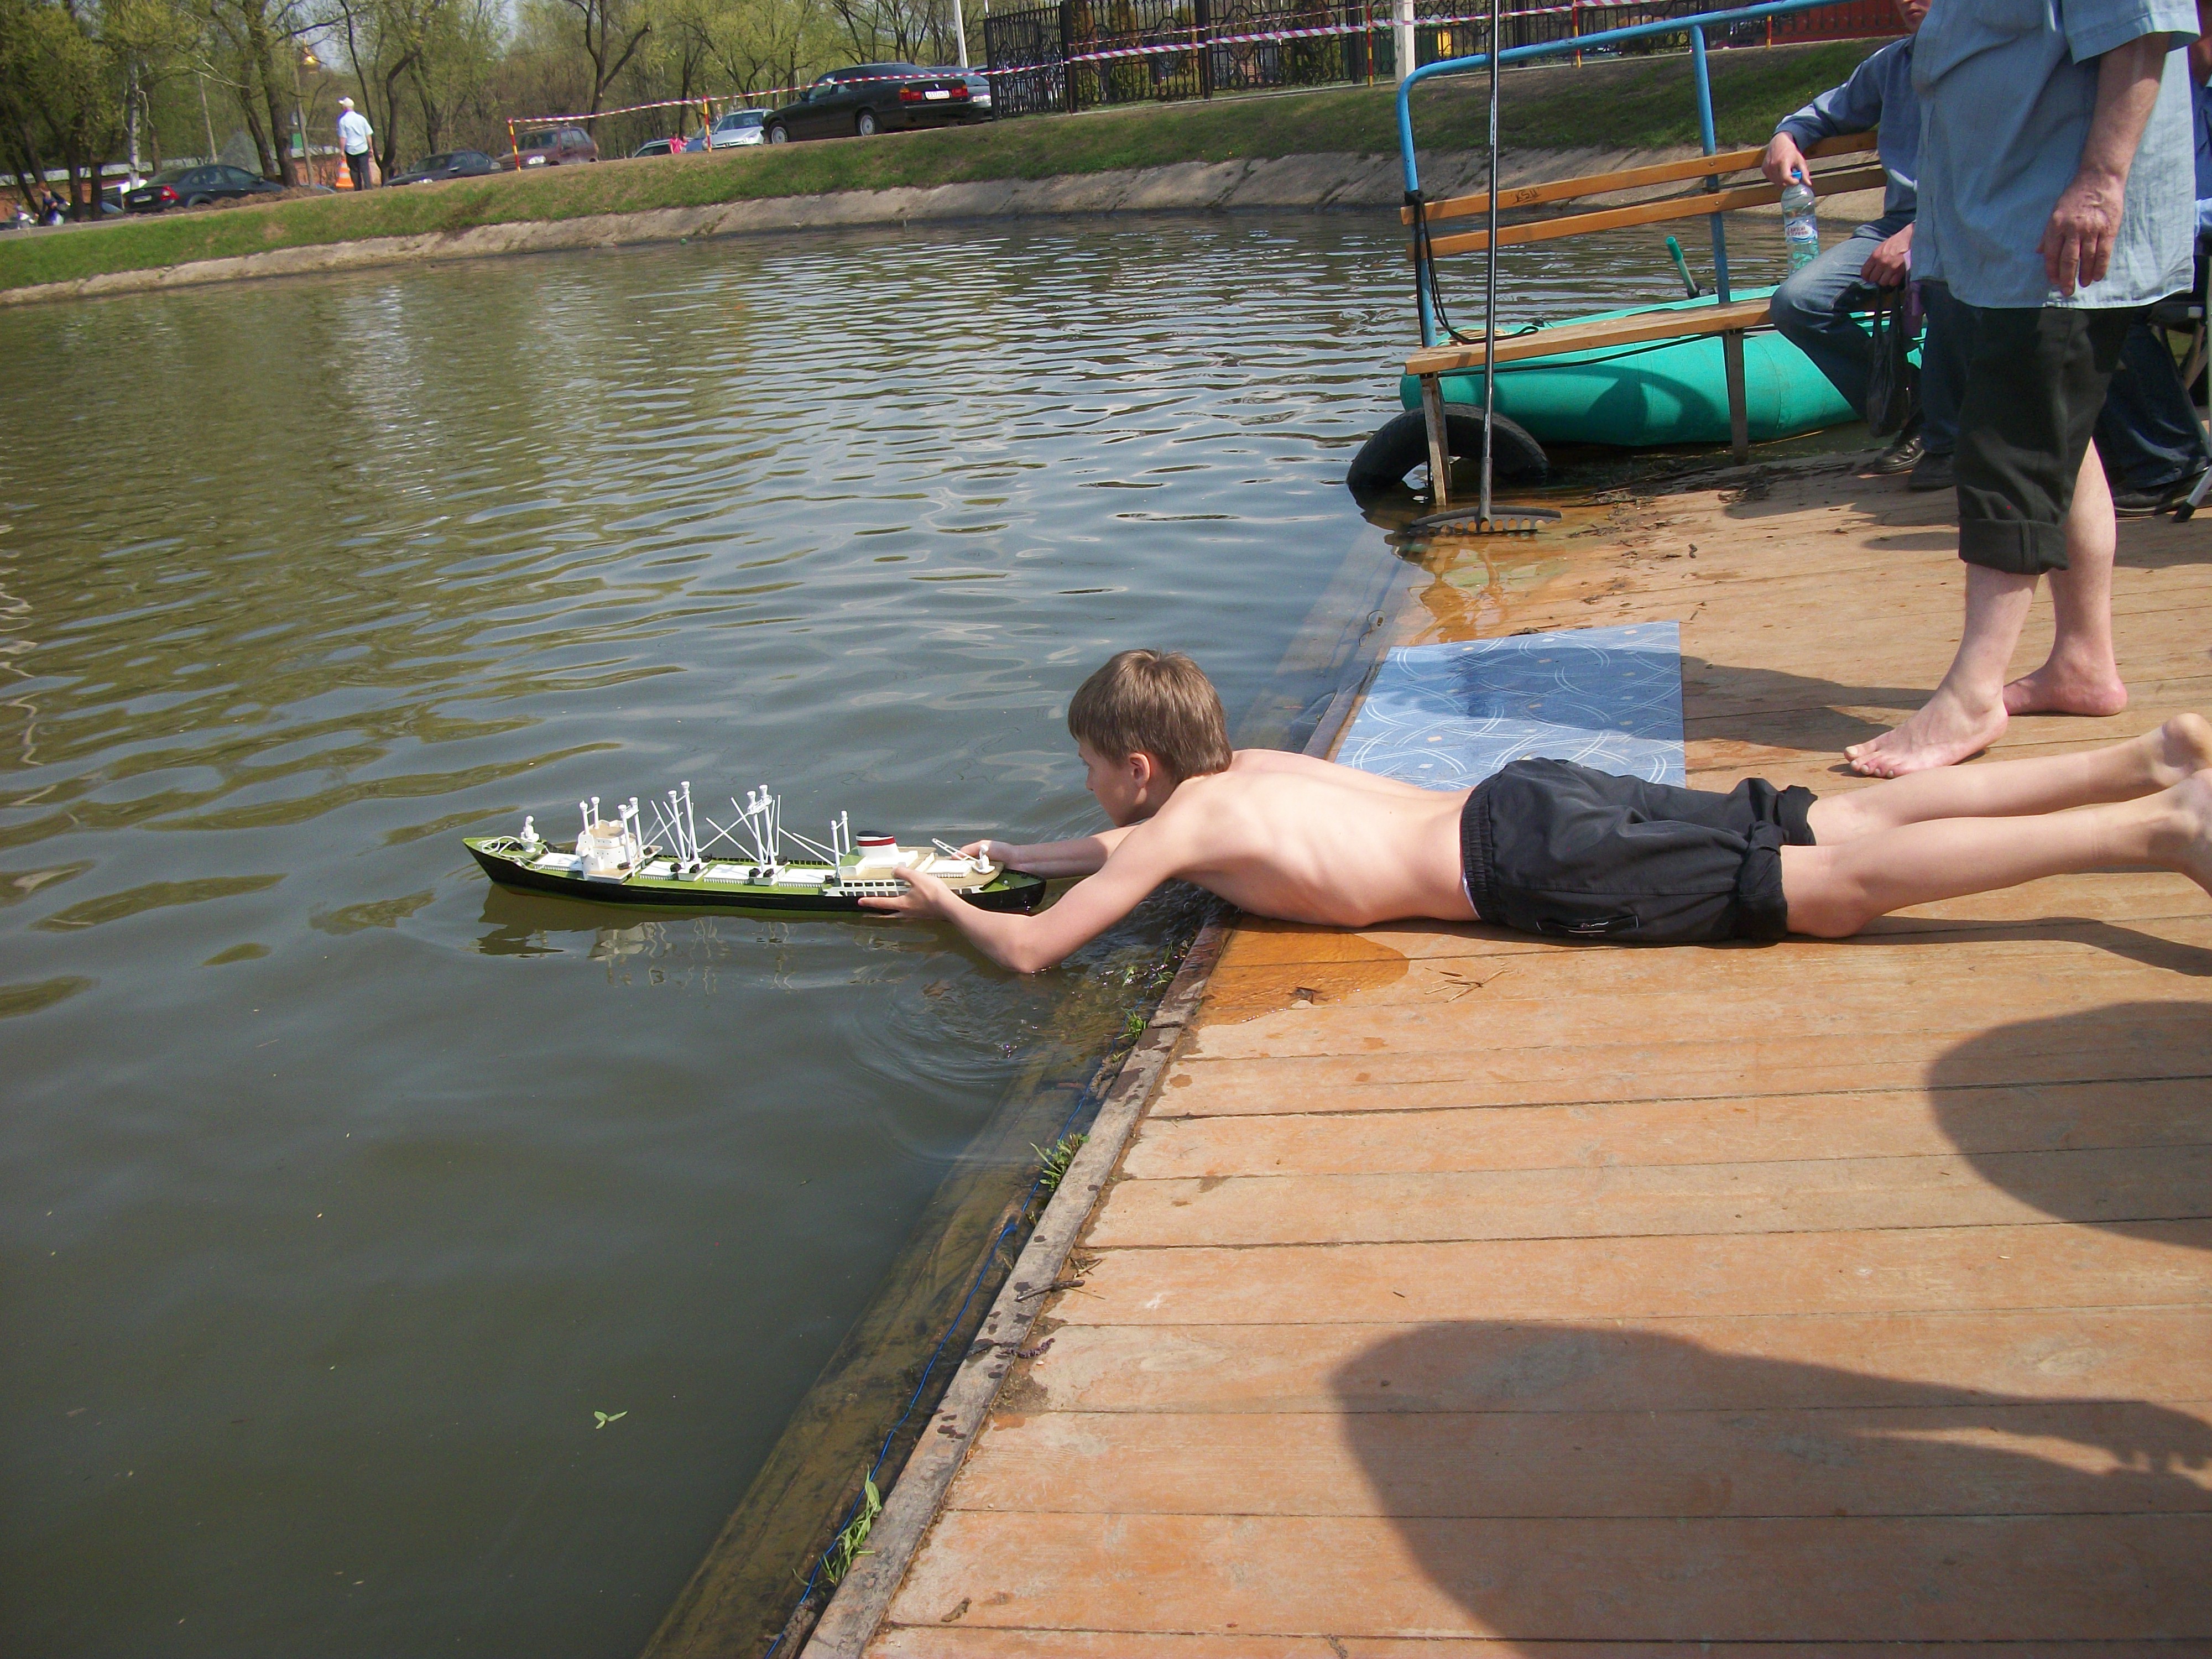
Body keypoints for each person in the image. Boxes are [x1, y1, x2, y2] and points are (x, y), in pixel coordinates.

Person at [858, 651, 2212, 972]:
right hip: (1526, 799)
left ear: (1135, 766)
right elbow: (1116, 854)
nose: (1089, 792)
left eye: (1092, 769)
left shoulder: (1176, 826)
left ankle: (2157, 833)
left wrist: (937, 894)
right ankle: (2139, 759)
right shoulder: (1236, 772)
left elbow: (1037, 952)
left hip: (1528, 858)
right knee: (1819, 829)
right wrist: (1010, 850)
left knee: (1820, 895)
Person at [1842, 0, 2199, 779]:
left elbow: (2143, 29)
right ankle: (2083, 661)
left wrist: (2101, 181)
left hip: (2056, 225)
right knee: (2060, 444)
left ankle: (1972, 695)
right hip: (1998, 222)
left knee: (2010, 446)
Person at [1762, 0, 1966, 488]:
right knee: (1797, 301)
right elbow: (1822, 114)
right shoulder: (1891, 65)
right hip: (1896, 222)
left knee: (1944, 282)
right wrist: (1787, 136)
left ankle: (1949, 438)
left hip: (1965, 222)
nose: (1911, 2)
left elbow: (1994, 173)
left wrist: (1920, 237)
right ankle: (1915, 406)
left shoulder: (1985, 64)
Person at [337, 97, 374, 191]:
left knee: (354, 170)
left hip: (350, 150)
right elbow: (368, 134)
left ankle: (358, 189)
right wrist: (371, 148)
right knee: (365, 169)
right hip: (363, 148)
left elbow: (343, 138)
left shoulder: (343, 121)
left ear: (345, 107)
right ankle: (368, 187)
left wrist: (342, 151)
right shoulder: (361, 119)